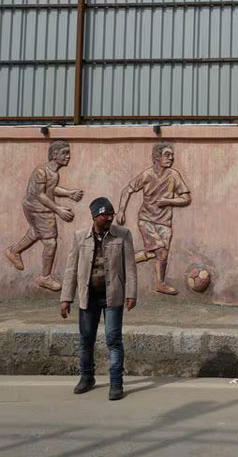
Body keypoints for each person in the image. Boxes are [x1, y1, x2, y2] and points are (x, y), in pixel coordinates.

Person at [60, 197, 137, 401]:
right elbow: (71, 268)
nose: (110, 218)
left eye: (111, 215)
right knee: (86, 339)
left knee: (113, 339)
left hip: (113, 296)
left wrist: (131, 293)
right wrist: (66, 298)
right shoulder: (80, 237)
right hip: (88, 297)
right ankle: (86, 377)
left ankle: (116, 383)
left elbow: (130, 266)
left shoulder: (123, 235)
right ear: (95, 216)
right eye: (105, 215)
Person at [5, 140, 83, 291]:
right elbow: (40, 195)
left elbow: (51, 189)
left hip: (37, 208)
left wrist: (69, 193)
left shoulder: (53, 173)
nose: (68, 156)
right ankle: (45, 277)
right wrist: (58, 209)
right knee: (50, 242)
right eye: (64, 153)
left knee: (36, 233)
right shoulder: (42, 171)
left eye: (68, 153)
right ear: (54, 154)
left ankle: (14, 251)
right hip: (37, 208)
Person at [117, 141, 192, 295]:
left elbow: (186, 198)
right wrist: (121, 211)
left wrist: (168, 201)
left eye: (172, 155)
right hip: (147, 220)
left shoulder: (174, 175)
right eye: (167, 155)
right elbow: (127, 190)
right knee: (161, 253)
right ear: (157, 157)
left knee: (155, 254)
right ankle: (160, 284)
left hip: (165, 223)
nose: (171, 158)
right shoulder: (147, 175)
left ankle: (122, 261)